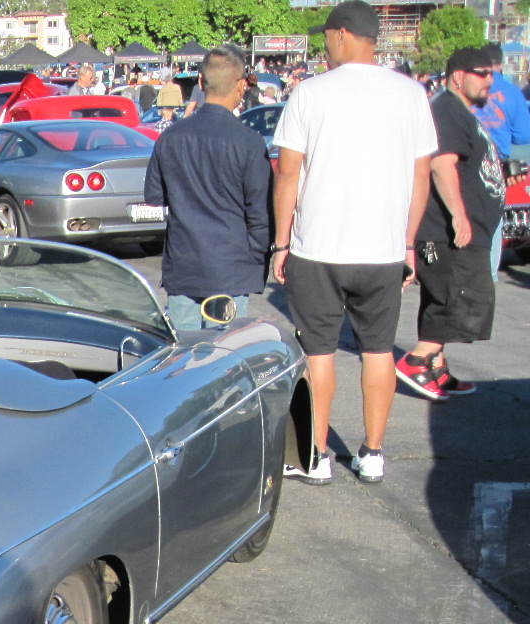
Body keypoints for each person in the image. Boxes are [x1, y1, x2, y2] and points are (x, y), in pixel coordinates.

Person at [271, 0, 438, 486]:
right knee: (378, 349)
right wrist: (408, 243)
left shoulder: (309, 93)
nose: (324, 46)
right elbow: (421, 177)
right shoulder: (411, 94)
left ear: (341, 35)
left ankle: (316, 456)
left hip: (318, 247)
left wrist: (281, 243)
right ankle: (373, 453)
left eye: (325, 37)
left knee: (318, 352)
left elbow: (288, 174)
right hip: (383, 249)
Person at [395, 47, 505, 402]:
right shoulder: (446, 109)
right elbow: (441, 164)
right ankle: (417, 360)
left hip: (458, 232)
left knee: (443, 298)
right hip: (445, 232)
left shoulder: (458, 111)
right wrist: (458, 214)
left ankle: (436, 367)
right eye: (483, 73)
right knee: (461, 297)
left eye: (492, 73)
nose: (490, 80)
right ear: (459, 76)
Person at [143, 46, 272, 330]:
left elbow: (154, 195)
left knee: (183, 352)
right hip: (232, 266)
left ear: (201, 82)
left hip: (184, 264)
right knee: (226, 352)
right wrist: (256, 260)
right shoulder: (249, 142)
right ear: (241, 86)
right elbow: (260, 214)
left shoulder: (170, 137)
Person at [476, 43, 530, 274]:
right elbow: (523, 135)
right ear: (500, 63)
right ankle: (489, 273)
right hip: (498, 164)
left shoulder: (465, 87)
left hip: (464, 161)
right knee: (493, 220)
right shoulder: (511, 92)